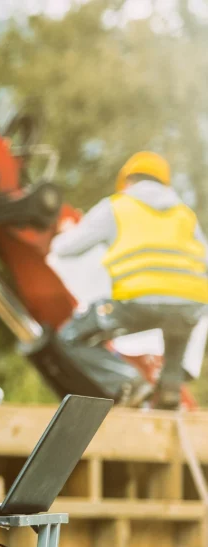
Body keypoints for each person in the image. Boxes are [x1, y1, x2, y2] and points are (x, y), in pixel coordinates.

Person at [51, 151, 208, 409]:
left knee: (69, 337)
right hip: (191, 304)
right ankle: (169, 391)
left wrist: (66, 231)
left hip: (137, 301)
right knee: (179, 323)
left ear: (127, 182)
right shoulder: (184, 215)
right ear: (165, 184)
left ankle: (130, 383)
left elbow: (65, 249)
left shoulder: (116, 206)